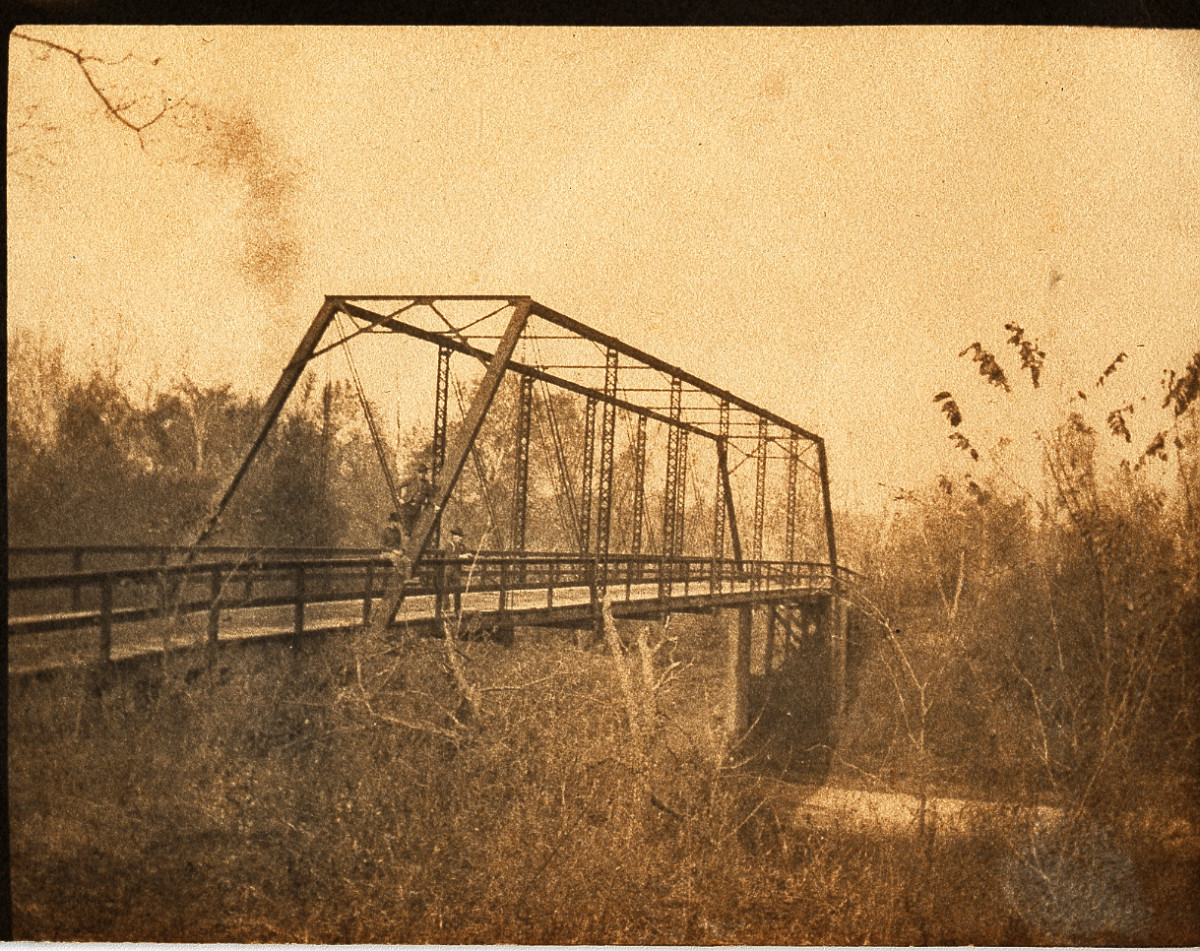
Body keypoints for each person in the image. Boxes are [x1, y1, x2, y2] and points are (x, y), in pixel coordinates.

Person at [397, 463, 434, 544]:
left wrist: (427, 504)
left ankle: (411, 548)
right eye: (421, 472)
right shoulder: (411, 480)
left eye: (424, 472)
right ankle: (405, 548)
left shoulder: (427, 484)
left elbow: (431, 495)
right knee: (407, 531)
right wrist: (399, 498)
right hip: (407, 507)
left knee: (416, 530)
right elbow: (399, 485)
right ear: (418, 473)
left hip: (417, 509)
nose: (422, 474)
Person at [441, 526, 467, 616]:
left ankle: (457, 608)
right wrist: (460, 557)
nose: (460, 539)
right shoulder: (449, 545)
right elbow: (449, 557)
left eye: (461, 537)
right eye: (458, 536)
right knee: (446, 588)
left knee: (458, 588)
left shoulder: (460, 546)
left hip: (456, 570)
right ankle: (445, 608)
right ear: (453, 536)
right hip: (449, 569)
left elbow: (465, 552)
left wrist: (467, 554)